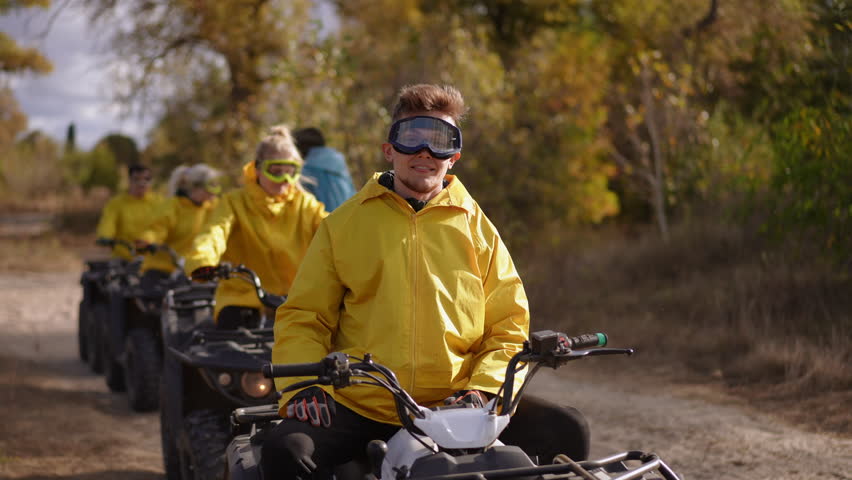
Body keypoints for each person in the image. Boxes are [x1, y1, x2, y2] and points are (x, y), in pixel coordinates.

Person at [263, 84, 590, 478]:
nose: (424, 153)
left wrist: (485, 389)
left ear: (453, 157)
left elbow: (509, 323)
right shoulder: (343, 225)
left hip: (461, 405)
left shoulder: (477, 227)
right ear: (389, 150)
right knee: (286, 451)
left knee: (568, 428)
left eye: (439, 141)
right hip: (367, 403)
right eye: (411, 138)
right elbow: (304, 315)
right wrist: (305, 384)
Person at [184, 125, 328, 329]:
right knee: (227, 349)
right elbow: (214, 232)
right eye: (276, 172)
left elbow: (333, 229)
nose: (285, 181)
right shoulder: (234, 202)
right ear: (257, 169)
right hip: (243, 297)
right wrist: (202, 261)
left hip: (297, 301)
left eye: (291, 172)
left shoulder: (305, 204)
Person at [136, 164, 223, 289]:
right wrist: (147, 240)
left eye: (216, 185)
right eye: (210, 186)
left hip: (195, 269)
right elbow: (157, 228)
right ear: (195, 187)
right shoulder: (173, 206)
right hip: (164, 268)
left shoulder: (212, 207)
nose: (214, 192)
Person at [95, 164, 164, 259]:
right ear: (129, 181)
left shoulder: (160, 202)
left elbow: (162, 226)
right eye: (137, 179)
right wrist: (105, 236)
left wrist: (149, 239)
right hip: (123, 258)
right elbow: (108, 222)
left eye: (146, 179)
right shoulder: (116, 203)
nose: (142, 183)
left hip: (151, 259)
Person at [293, 127, 357, 211]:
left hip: (325, 221)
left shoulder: (306, 171)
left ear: (300, 149)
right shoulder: (339, 164)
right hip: (350, 219)